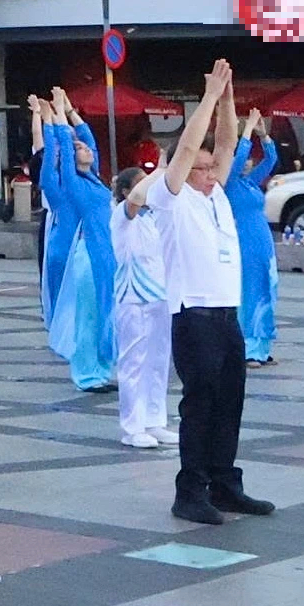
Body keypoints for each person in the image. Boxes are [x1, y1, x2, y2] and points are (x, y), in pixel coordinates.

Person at [155, 61, 271, 526]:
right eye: (199, 168)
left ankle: (225, 484)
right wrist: (204, 100)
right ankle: (191, 491)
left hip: (227, 317)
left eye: (209, 169)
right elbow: (189, 148)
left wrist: (226, 98)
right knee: (199, 405)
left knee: (229, 403)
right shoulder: (172, 197)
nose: (207, 173)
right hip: (194, 316)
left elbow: (224, 144)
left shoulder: (217, 195)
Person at [35, 93, 114, 392]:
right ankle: (86, 373)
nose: (86, 149)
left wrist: (69, 110)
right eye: (78, 148)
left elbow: (88, 141)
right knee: (85, 316)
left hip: (105, 253)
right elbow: (63, 153)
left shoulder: (95, 180)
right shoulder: (66, 183)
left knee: (104, 313)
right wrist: (53, 119)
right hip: (81, 254)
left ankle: (101, 370)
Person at [108, 162, 173, 449]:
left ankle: (154, 420)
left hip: (161, 296)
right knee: (134, 363)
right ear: (125, 190)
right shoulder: (122, 217)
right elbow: (136, 199)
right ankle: (132, 427)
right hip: (133, 297)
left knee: (158, 362)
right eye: (141, 181)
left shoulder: (153, 218)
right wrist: (160, 171)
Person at [224, 112, 280, 365]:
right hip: (243, 243)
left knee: (267, 289)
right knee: (249, 293)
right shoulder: (228, 183)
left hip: (262, 243)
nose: (247, 163)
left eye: (249, 158)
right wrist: (243, 134)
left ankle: (262, 344)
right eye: (243, 157)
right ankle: (247, 348)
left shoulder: (250, 183)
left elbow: (272, 159)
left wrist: (262, 135)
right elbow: (235, 164)